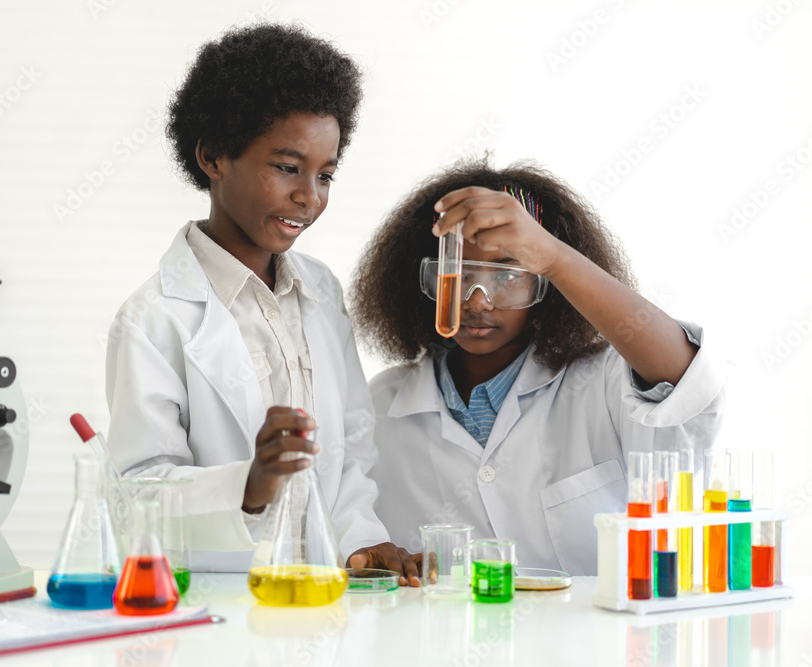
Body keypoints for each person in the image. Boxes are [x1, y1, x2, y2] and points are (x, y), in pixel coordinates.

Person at [105, 23, 418, 583]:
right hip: (221, 602)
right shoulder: (154, 318)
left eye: (325, 174)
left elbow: (350, 449)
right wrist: (250, 484)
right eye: (286, 166)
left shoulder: (321, 292)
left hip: (322, 598)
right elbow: (137, 496)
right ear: (213, 156)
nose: (309, 195)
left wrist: (363, 545)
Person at [351, 159, 726, 575]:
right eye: (459, 275)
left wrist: (553, 257)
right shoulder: (379, 405)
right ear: (425, 280)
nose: (477, 301)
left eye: (506, 277)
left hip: (592, 641)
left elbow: (685, 385)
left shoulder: (603, 383)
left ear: (545, 284)